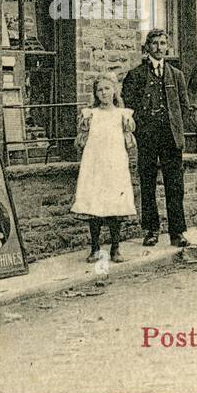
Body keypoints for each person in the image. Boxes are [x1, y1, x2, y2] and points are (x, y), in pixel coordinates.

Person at [121, 30, 193, 247]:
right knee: (148, 183)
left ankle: (177, 232)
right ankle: (151, 230)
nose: (159, 47)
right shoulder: (135, 75)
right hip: (147, 136)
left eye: (163, 43)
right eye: (154, 43)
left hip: (170, 136)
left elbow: (183, 106)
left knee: (175, 185)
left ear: (167, 47)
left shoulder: (177, 75)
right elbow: (129, 108)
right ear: (147, 48)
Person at [71, 74, 137, 263]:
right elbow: (81, 142)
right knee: (95, 206)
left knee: (115, 205)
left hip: (115, 164)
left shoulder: (122, 115)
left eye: (107, 89)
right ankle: (95, 248)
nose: (104, 93)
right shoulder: (90, 115)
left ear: (114, 90)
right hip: (94, 165)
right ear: (96, 94)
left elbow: (129, 142)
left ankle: (116, 248)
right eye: (100, 90)